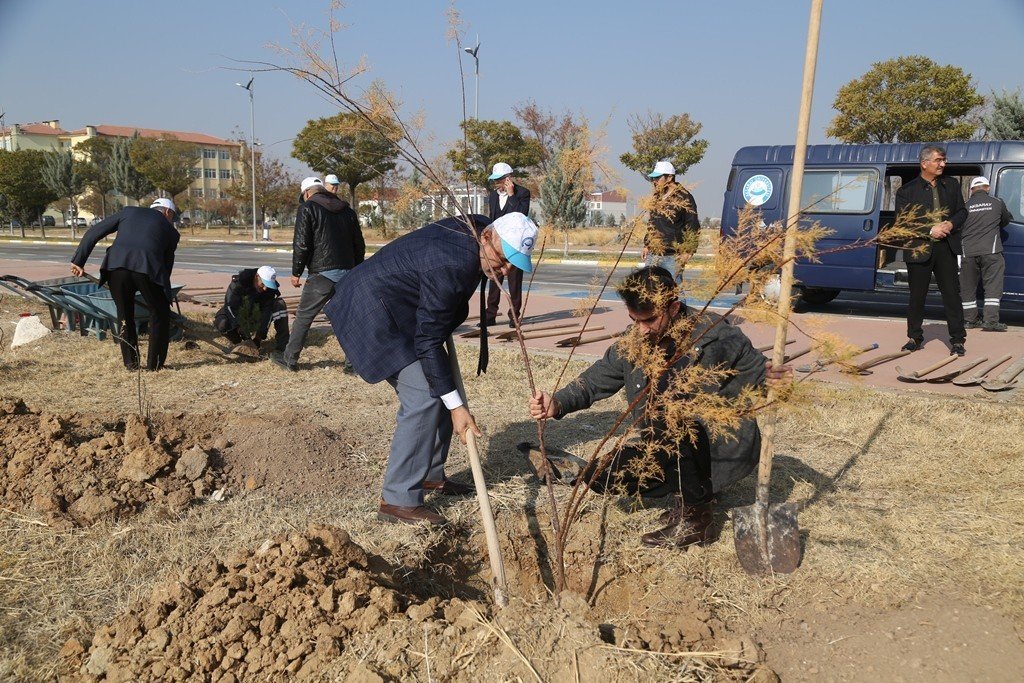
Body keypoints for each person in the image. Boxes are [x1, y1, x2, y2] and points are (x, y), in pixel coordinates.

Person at [529, 266, 787, 549]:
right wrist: (558, 402)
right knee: (603, 477)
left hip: (720, 448)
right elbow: (596, 379)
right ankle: (689, 491)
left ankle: (697, 519)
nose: (641, 329)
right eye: (634, 320)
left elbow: (760, 378)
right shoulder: (635, 340)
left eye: (649, 319)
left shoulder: (717, 337)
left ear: (674, 307)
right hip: (663, 443)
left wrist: (775, 379)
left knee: (674, 415)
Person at [325, 212, 539, 526]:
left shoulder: (476, 227)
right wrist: (457, 408)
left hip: (402, 304)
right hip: (373, 310)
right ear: (487, 237)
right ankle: (397, 500)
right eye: (503, 259)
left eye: (513, 265)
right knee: (425, 395)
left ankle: (429, 477)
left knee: (441, 385)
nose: (504, 270)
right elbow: (427, 340)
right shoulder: (451, 265)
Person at [69, 198, 180, 371]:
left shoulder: (129, 212)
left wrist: (78, 261)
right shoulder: (171, 231)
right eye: (172, 216)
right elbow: (166, 267)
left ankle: (131, 364)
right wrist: (164, 297)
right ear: (168, 212)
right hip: (147, 269)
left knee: (124, 314)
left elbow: (95, 231)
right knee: (159, 314)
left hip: (115, 267)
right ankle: (155, 365)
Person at [272, 176, 365, 371]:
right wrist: (356, 270)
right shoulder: (347, 210)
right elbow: (359, 243)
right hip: (348, 273)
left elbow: (302, 243)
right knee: (349, 318)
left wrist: (296, 272)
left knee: (304, 316)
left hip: (322, 274)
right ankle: (352, 365)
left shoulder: (308, 208)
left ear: (307, 193)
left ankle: (289, 360)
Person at [895, 145, 968, 355]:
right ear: (924, 163)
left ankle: (957, 340)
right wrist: (930, 229)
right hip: (919, 249)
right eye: (938, 160)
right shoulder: (906, 191)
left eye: (944, 160)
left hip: (947, 248)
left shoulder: (952, 185)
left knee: (952, 295)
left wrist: (951, 224)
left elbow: (962, 212)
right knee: (917, 296)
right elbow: (902, 223)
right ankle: (914, 338)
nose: (943, 164)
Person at [959, 176, 1012, 332]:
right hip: (991, 251)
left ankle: (969, 320)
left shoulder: (964, 206)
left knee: (967, 287)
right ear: (987, 188)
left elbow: (958, 226)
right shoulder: (997, 202)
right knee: (993, 286)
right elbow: (1005, 220)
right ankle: (990, 321)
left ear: (972, 190)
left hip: (967, 252)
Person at [483, 162, 531, 327]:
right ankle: (490, 316)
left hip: (515, 246)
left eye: (499, 180)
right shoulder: (493, 196)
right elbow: (492, 219)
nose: (496, 184)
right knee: (494, 280)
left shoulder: (523, 193)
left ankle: (514, 317)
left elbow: (520, 216)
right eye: (495, 180)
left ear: (508, 178)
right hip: (496, 246)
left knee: (514, 283)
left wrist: (511, 196)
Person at [642, 161, 700, 283]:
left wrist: (688, 251)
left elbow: (692, 225)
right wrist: (647, 244)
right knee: (650, 290)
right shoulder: (656, 197)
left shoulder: (684, 197)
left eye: (658, 177)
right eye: (653, 178)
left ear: (669, 177)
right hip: (653, 254)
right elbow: (652, 223)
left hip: (673, 256)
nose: (654, 181)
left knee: (674, 292)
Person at [214, 265, 290, 352]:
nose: (265, 288)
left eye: (268, 286)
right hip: (238, 313)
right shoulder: (239, 283)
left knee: (280, 304)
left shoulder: (270, 290)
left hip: (257, 315)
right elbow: (230, 307)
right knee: (222, 323)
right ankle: (237, 342)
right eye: (263, 284)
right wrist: (239, 328)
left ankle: (283, 346)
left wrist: (259, 336)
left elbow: (267, 312)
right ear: (257, 277)